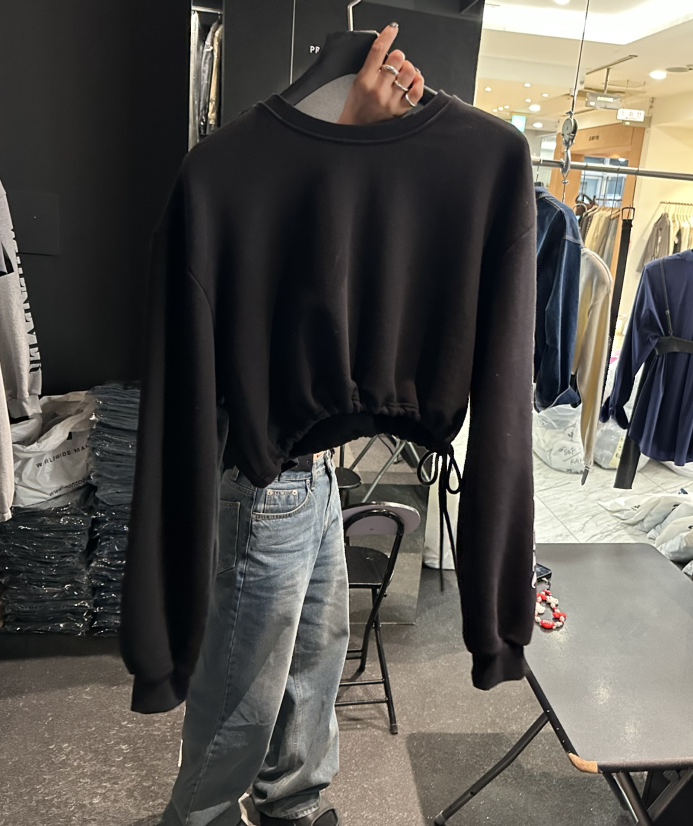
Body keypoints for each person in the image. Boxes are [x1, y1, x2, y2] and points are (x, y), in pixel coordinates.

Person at [160, 25, 423, 826]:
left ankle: (295, 808)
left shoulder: (353, 162)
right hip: (262, 469)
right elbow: (281, 287)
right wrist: (346, 141)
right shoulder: (238, 167)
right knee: (242, 690)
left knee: (315, 664)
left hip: (315, 467)